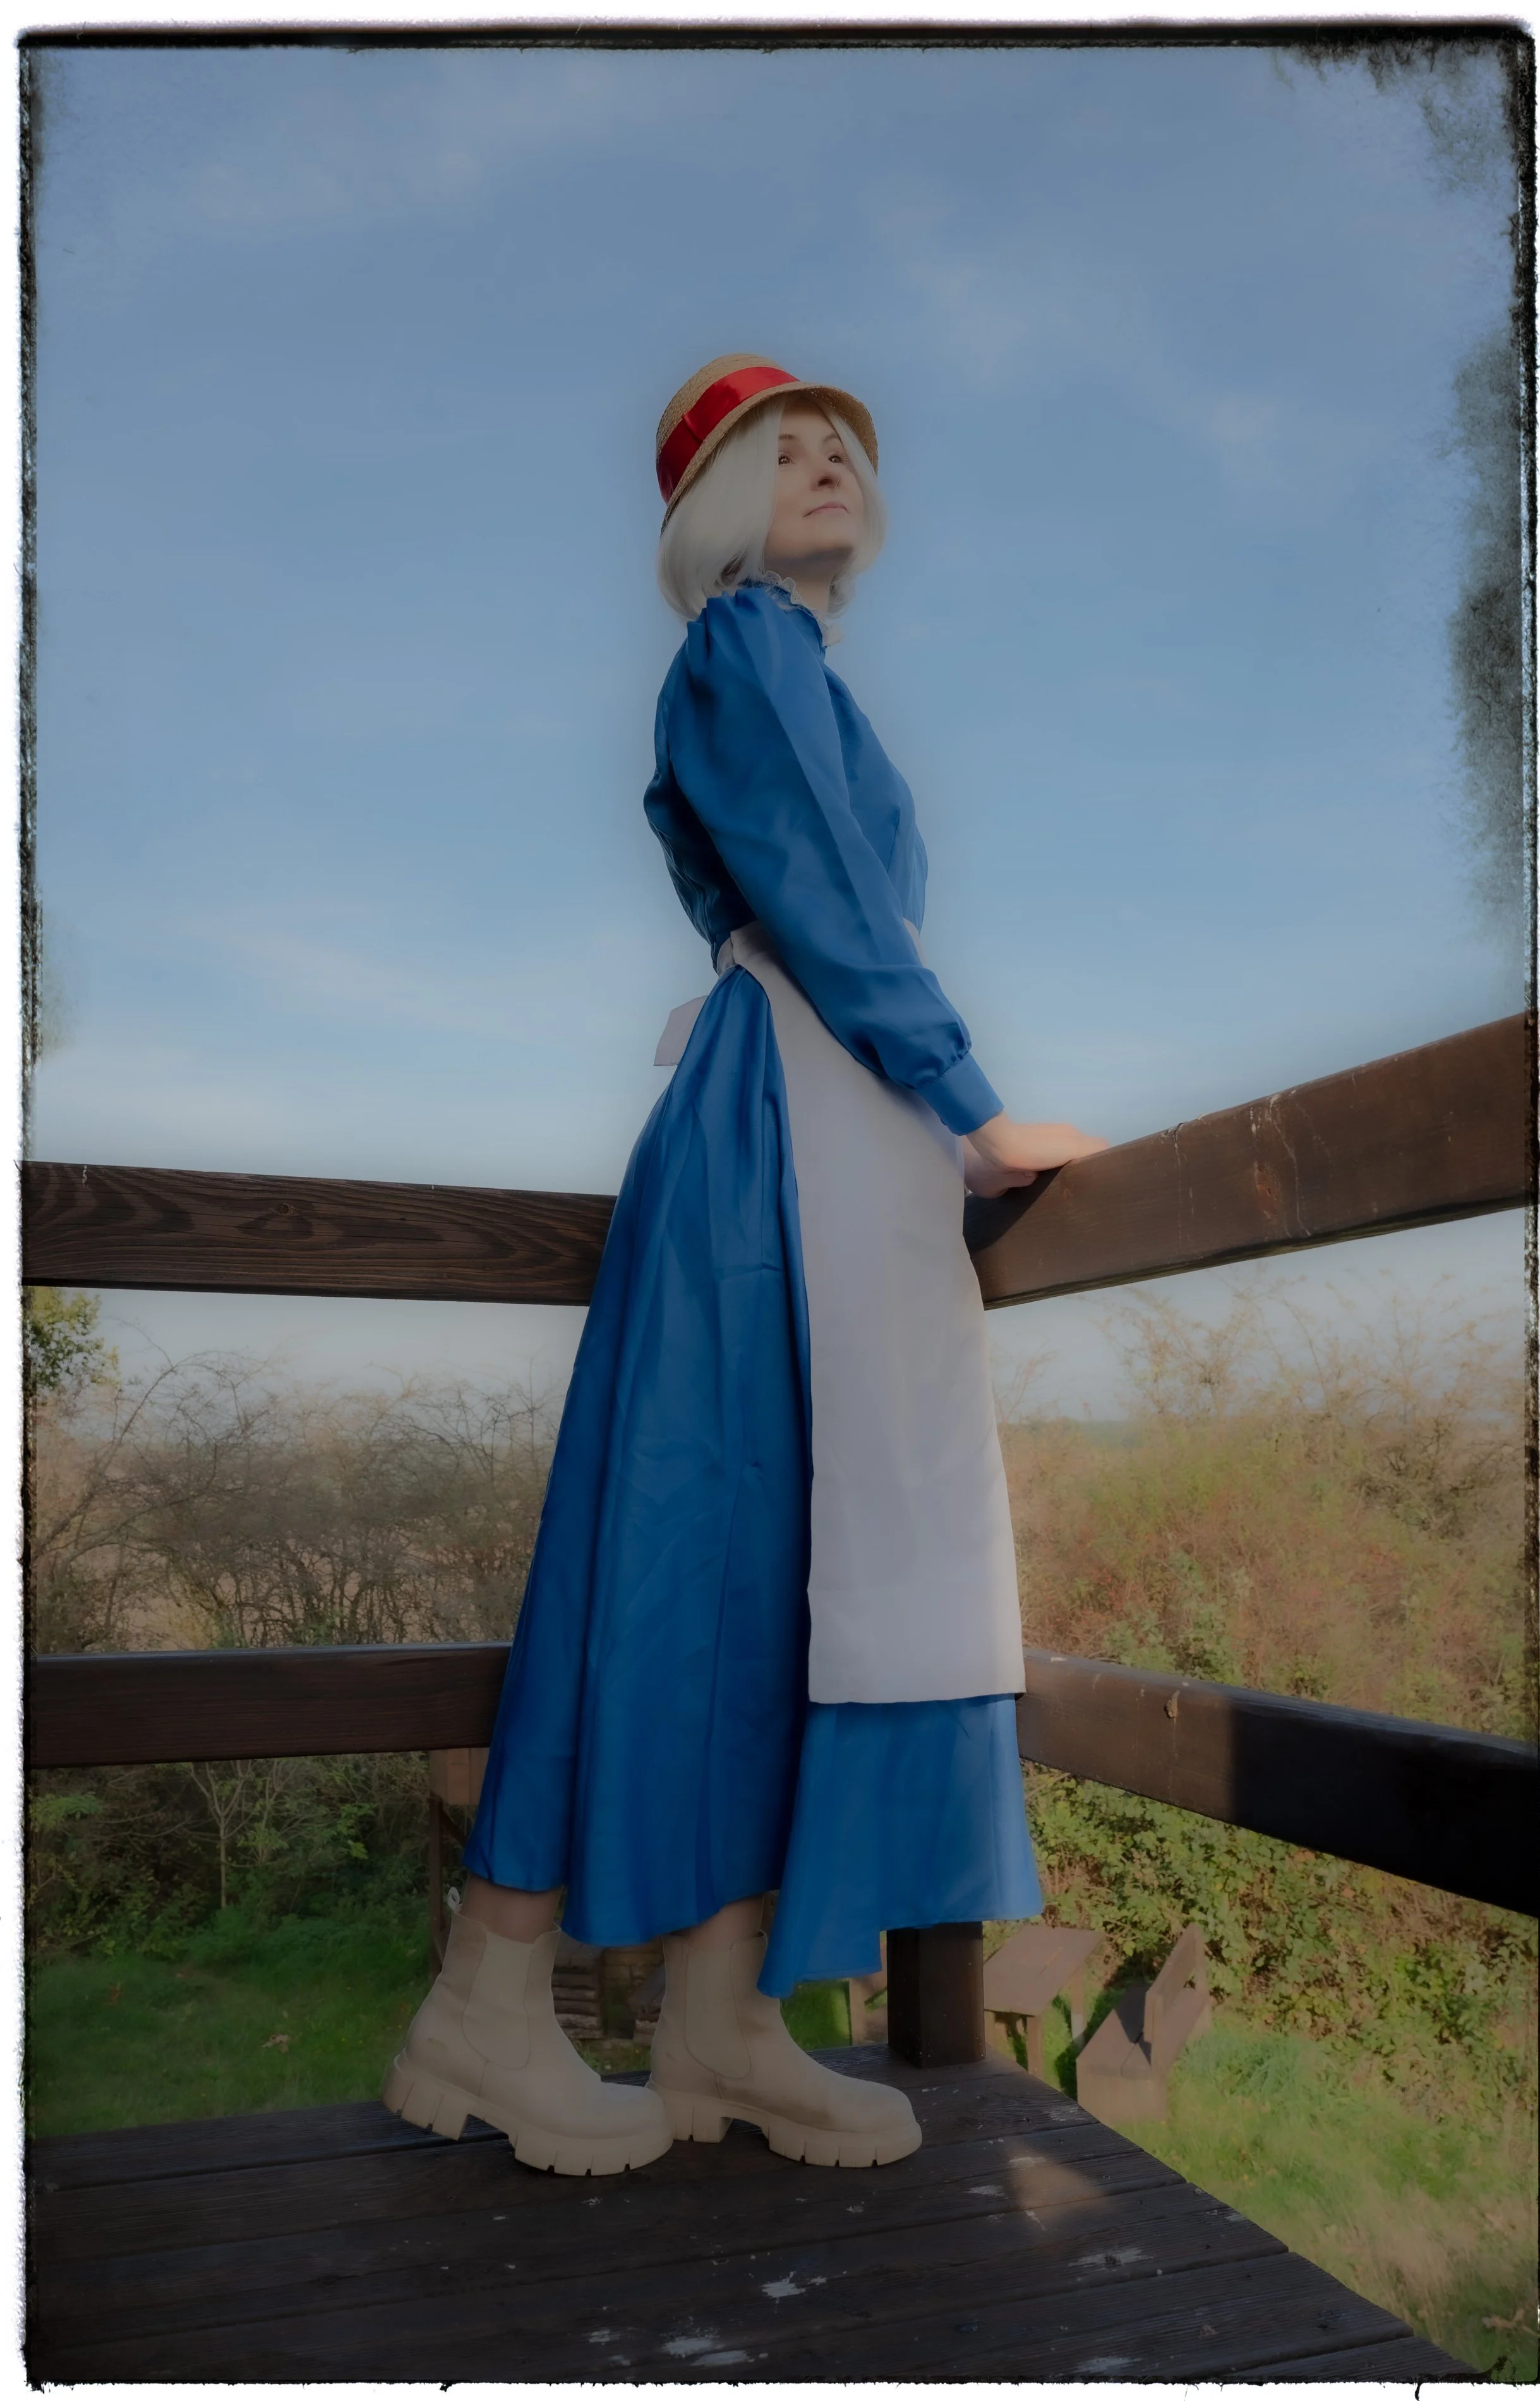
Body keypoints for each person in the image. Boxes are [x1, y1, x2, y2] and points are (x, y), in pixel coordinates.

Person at [382, 353, 1109, 2177]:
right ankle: (486, 2002)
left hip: (824, 1133)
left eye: (844, 447)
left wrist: (924, 1125)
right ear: (707, 504)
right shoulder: (745, 645)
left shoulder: (793, 658)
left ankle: (719, 2023)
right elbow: (820, 896)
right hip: (783, 1131)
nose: (824, 464)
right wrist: (968, 1105)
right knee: (682, 1551)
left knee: (788, 1571)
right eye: (778, 450)